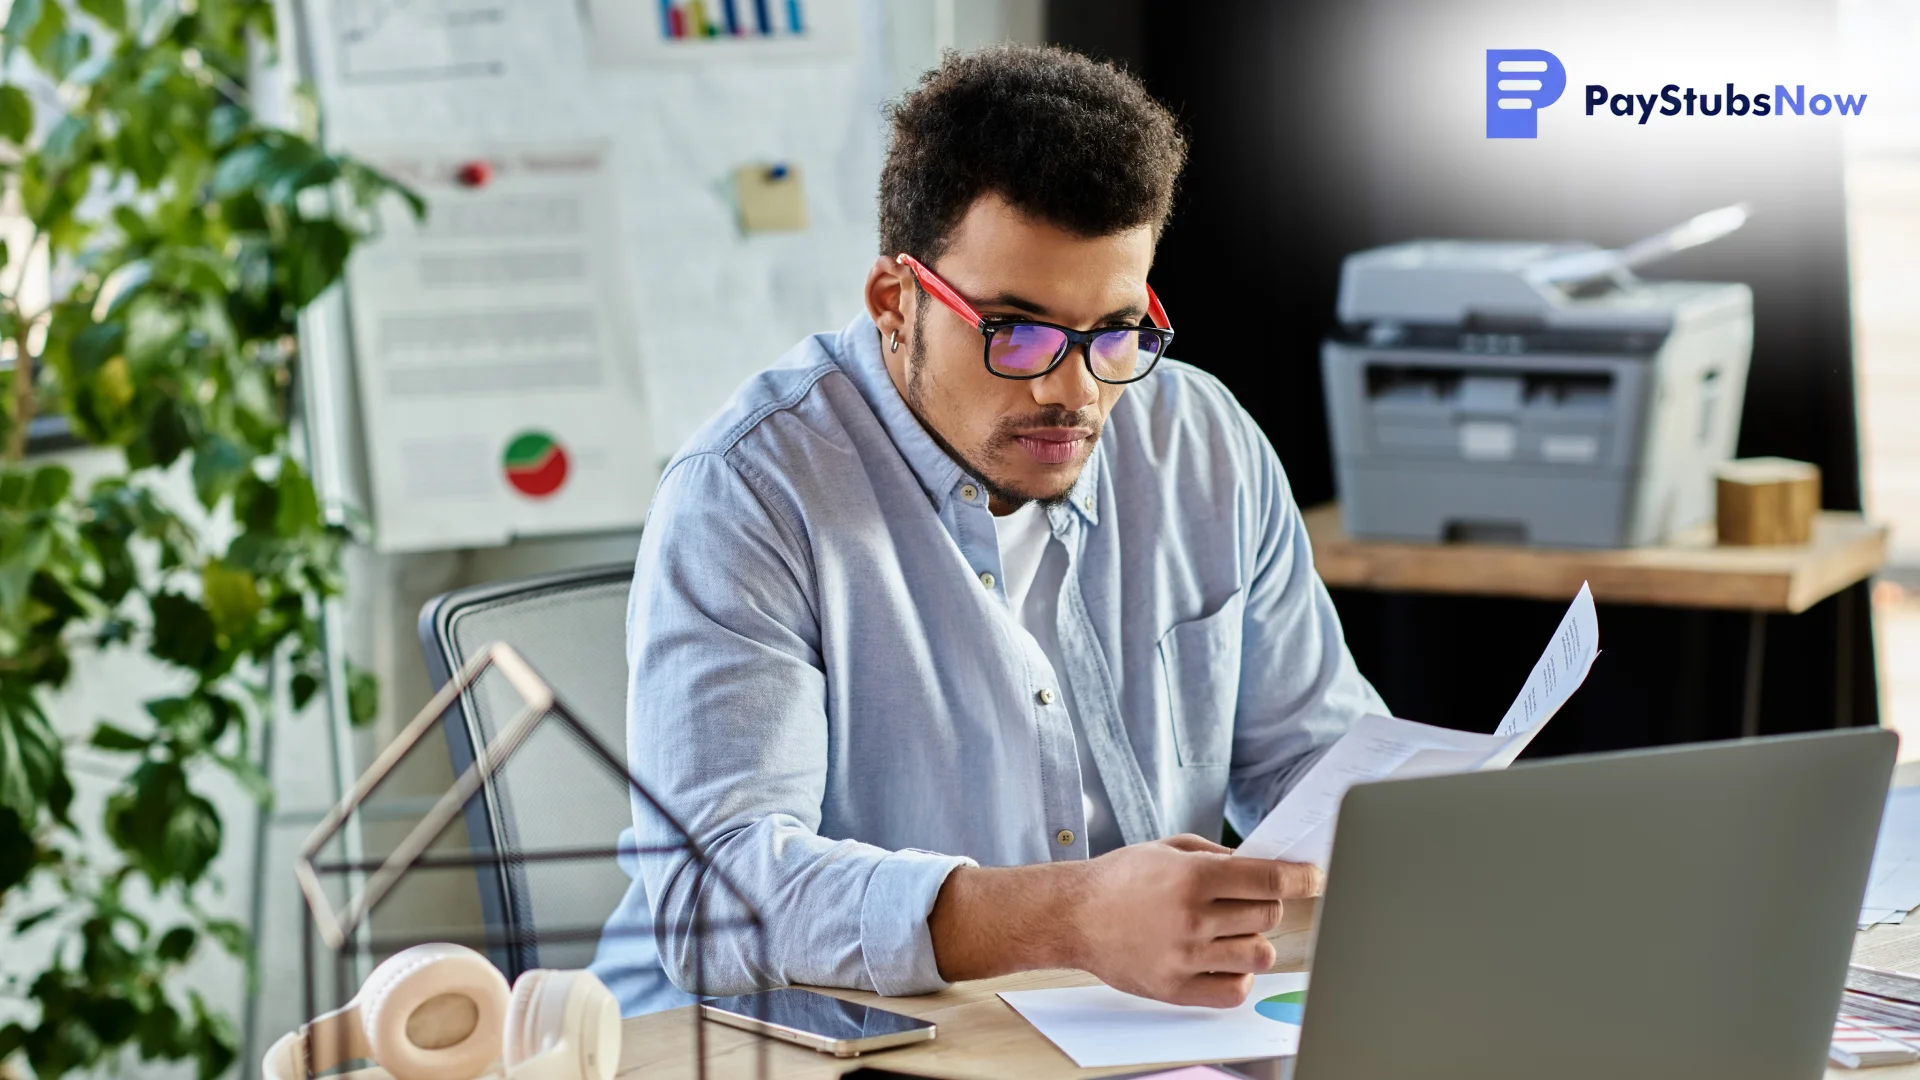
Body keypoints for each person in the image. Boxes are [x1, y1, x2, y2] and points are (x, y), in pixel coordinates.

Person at [589, 43, 1384, 1017]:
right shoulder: (749, 492)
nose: (1074, 391)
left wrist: (1399, 836)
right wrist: (1073, 918)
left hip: (1092, 1036)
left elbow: (1311, 760)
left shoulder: (1203, 440)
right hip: (777, 1049)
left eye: (1115, 331)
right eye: (1017, 332)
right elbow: (716, 900)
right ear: (896, 303)